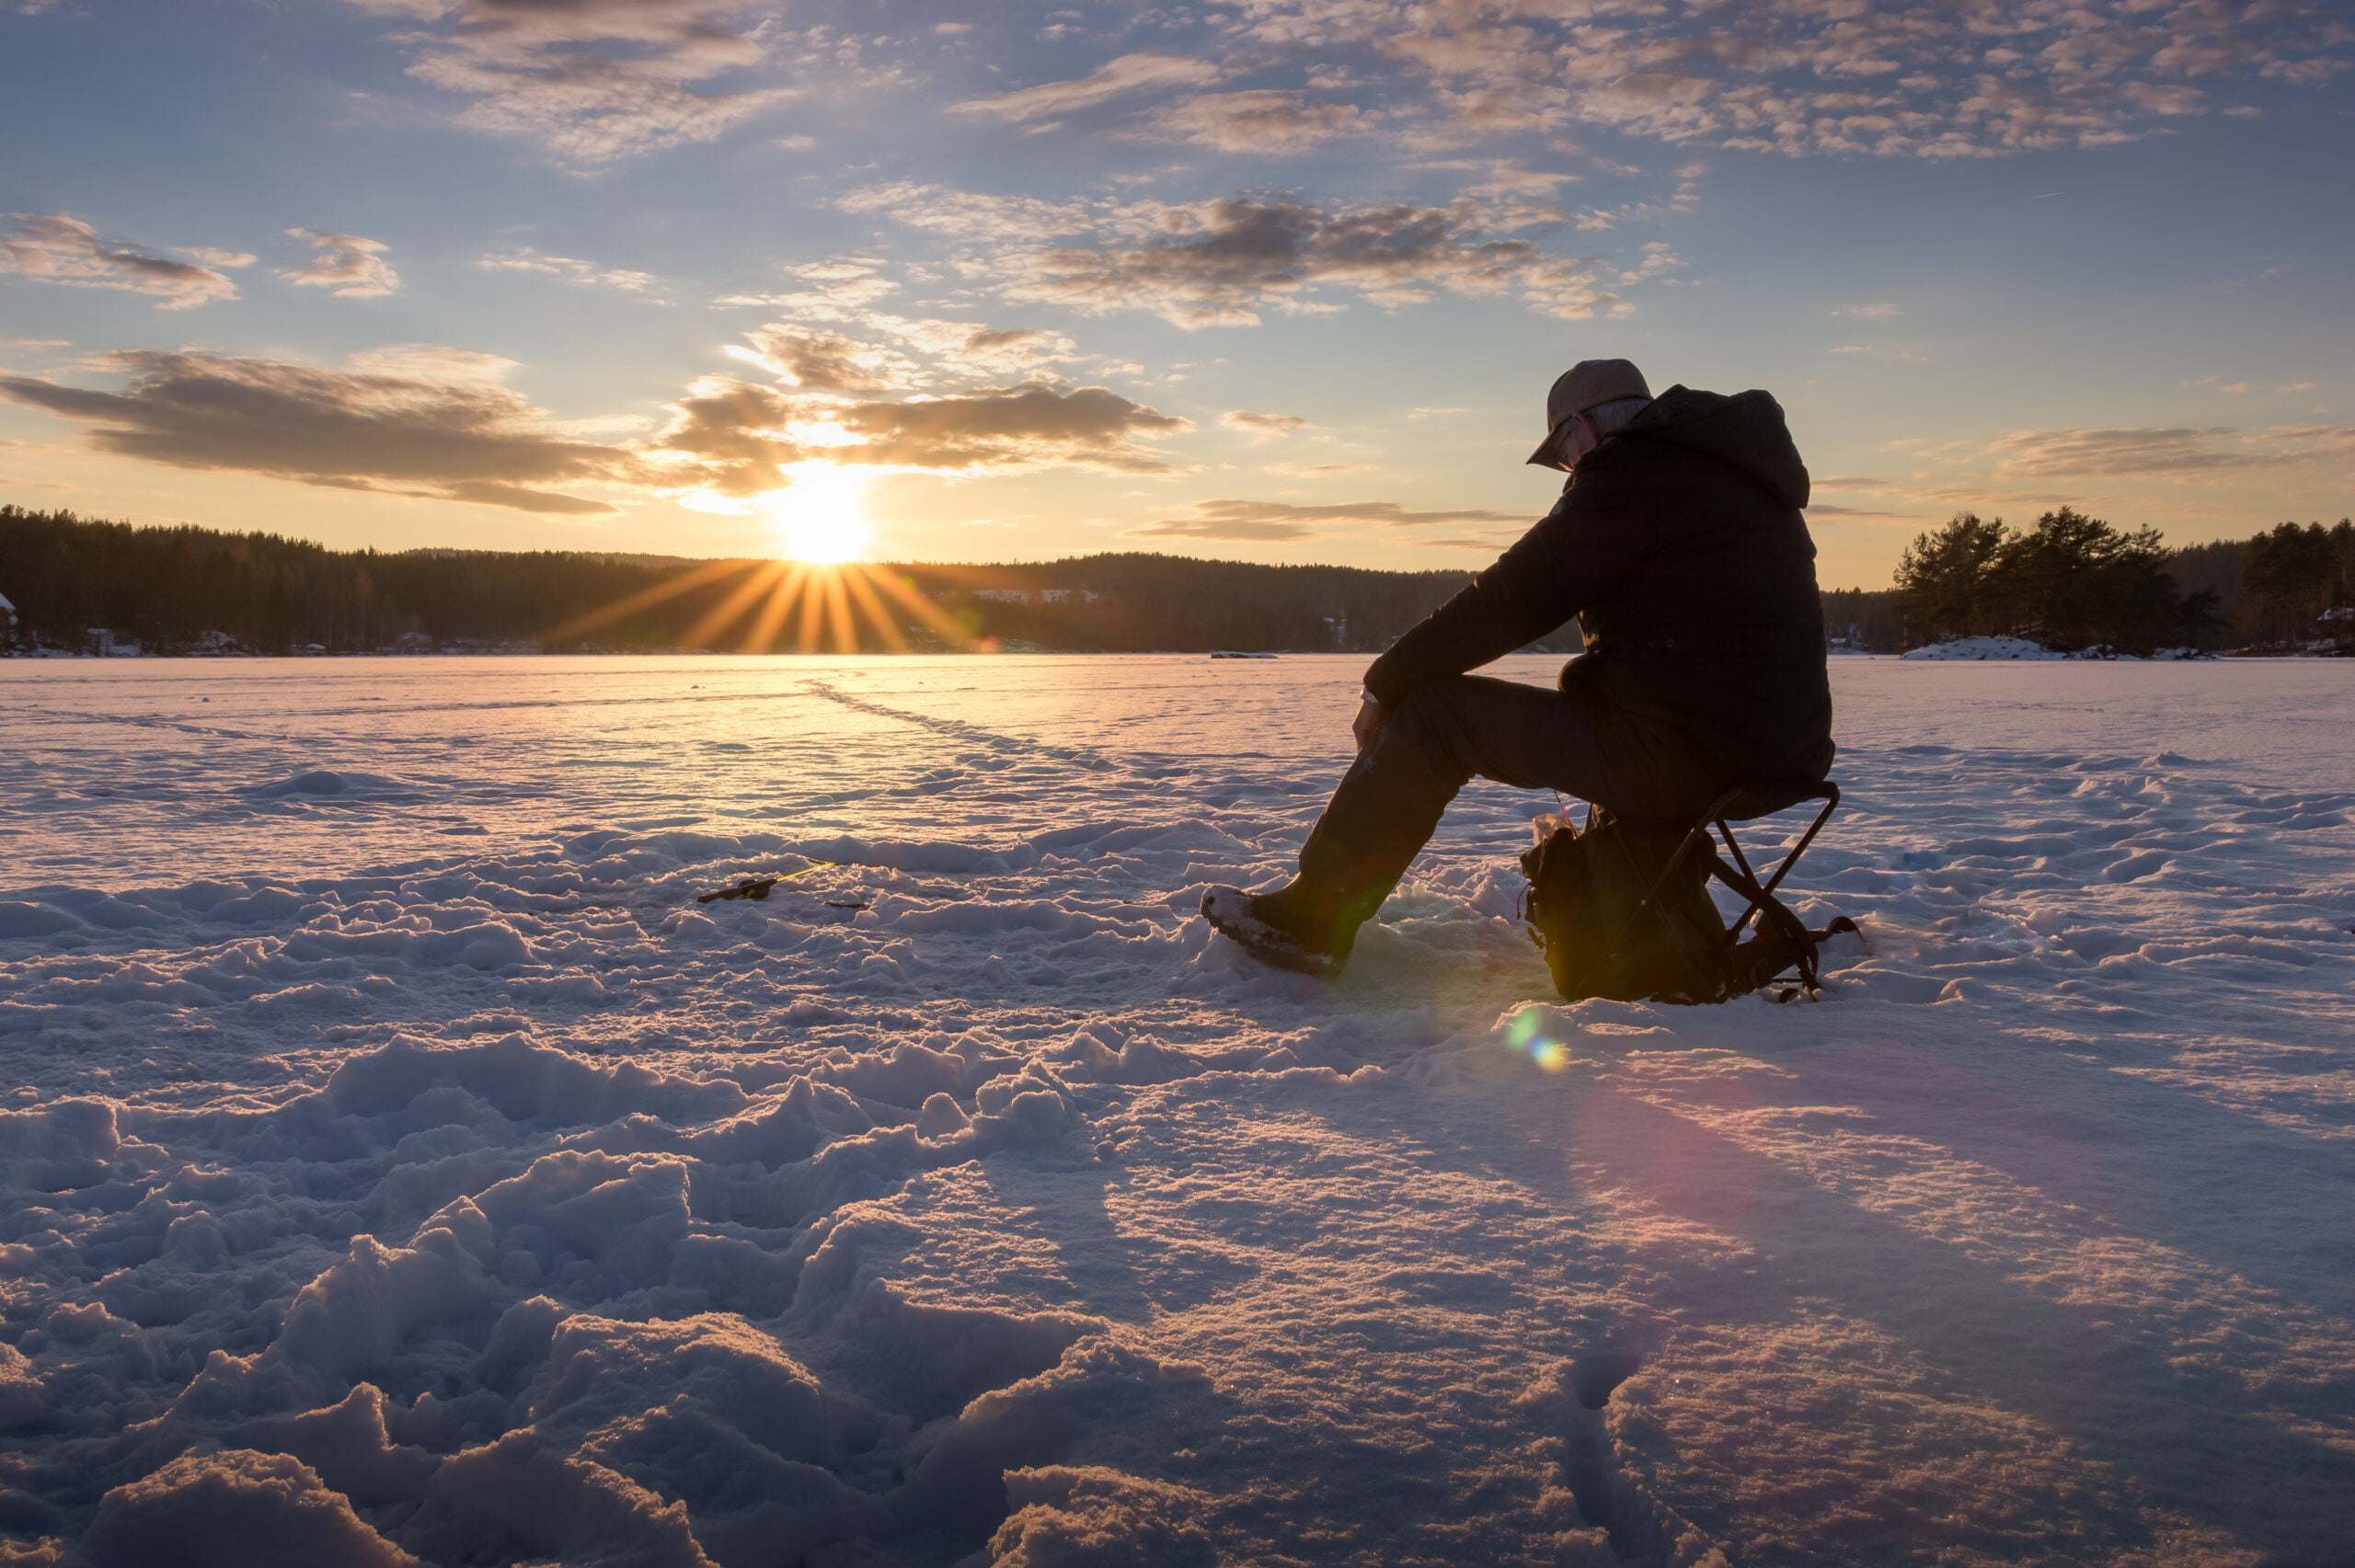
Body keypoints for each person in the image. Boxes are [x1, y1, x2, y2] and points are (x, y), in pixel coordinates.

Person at [1201, 358, 1834, 976]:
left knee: (1436, 716)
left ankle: (1313, 919)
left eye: (1562, 455)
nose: (1567, 470)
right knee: (1595, 726)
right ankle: (1641, 936)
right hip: (1782, 753)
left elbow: (1508, 600)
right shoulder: (1734, 476)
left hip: (1690, 752)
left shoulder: (1632, 473)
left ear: (1581, 430)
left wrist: (1387, 683)